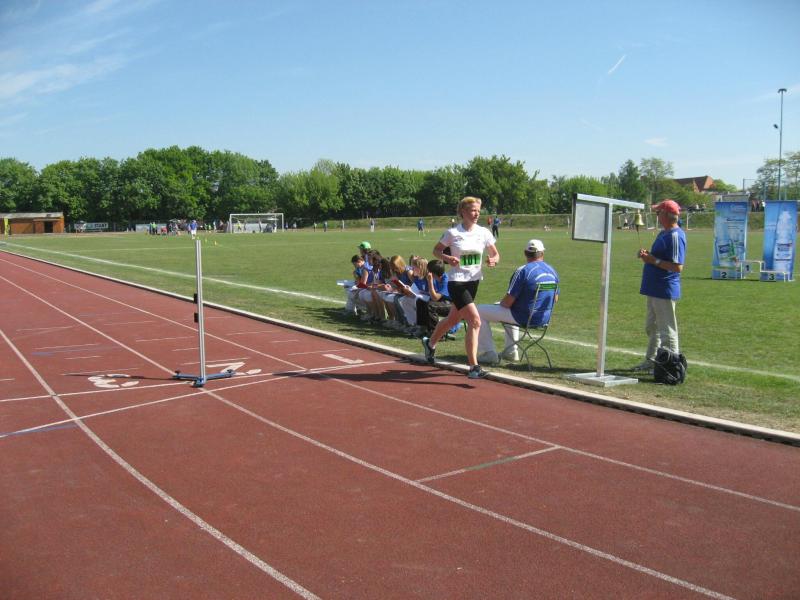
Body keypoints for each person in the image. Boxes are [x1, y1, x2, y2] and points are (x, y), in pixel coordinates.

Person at [421, 196, 499, 379]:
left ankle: (430, 344)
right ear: (463, 212)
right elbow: (436, 250)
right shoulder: (453, 233)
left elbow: (496, 254)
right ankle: (473, 367)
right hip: (457, 282)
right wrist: (447, 258)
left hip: (474, 282)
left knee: (452, 319)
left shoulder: (484, 232)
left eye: (478, 210)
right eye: (472, 210)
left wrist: (493, 260)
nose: (476, 214)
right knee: (475, 321)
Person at [475, 239, 559, 365]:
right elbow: (555, 299)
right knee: (510, 309)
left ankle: (489, 353)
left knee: (478, 311)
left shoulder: (523, 271)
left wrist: (500, 304)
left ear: (525, 253)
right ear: (542, 253)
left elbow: (507, 303)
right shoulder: (552, 271)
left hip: (523, 317)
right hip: (543, 319)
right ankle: (511, 351)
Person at [634, 199, 687, 373]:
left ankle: (670, 367)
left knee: (667, 330)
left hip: (664, 288)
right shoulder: (664, 233)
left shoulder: (675, 236)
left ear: (665, 214)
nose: (657, 216)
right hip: (654, 287)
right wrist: (648, 256)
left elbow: (677, 267)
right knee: (652, 327)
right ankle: (652, 361)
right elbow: (657, 258)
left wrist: (653, 260)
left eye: (658, 213)